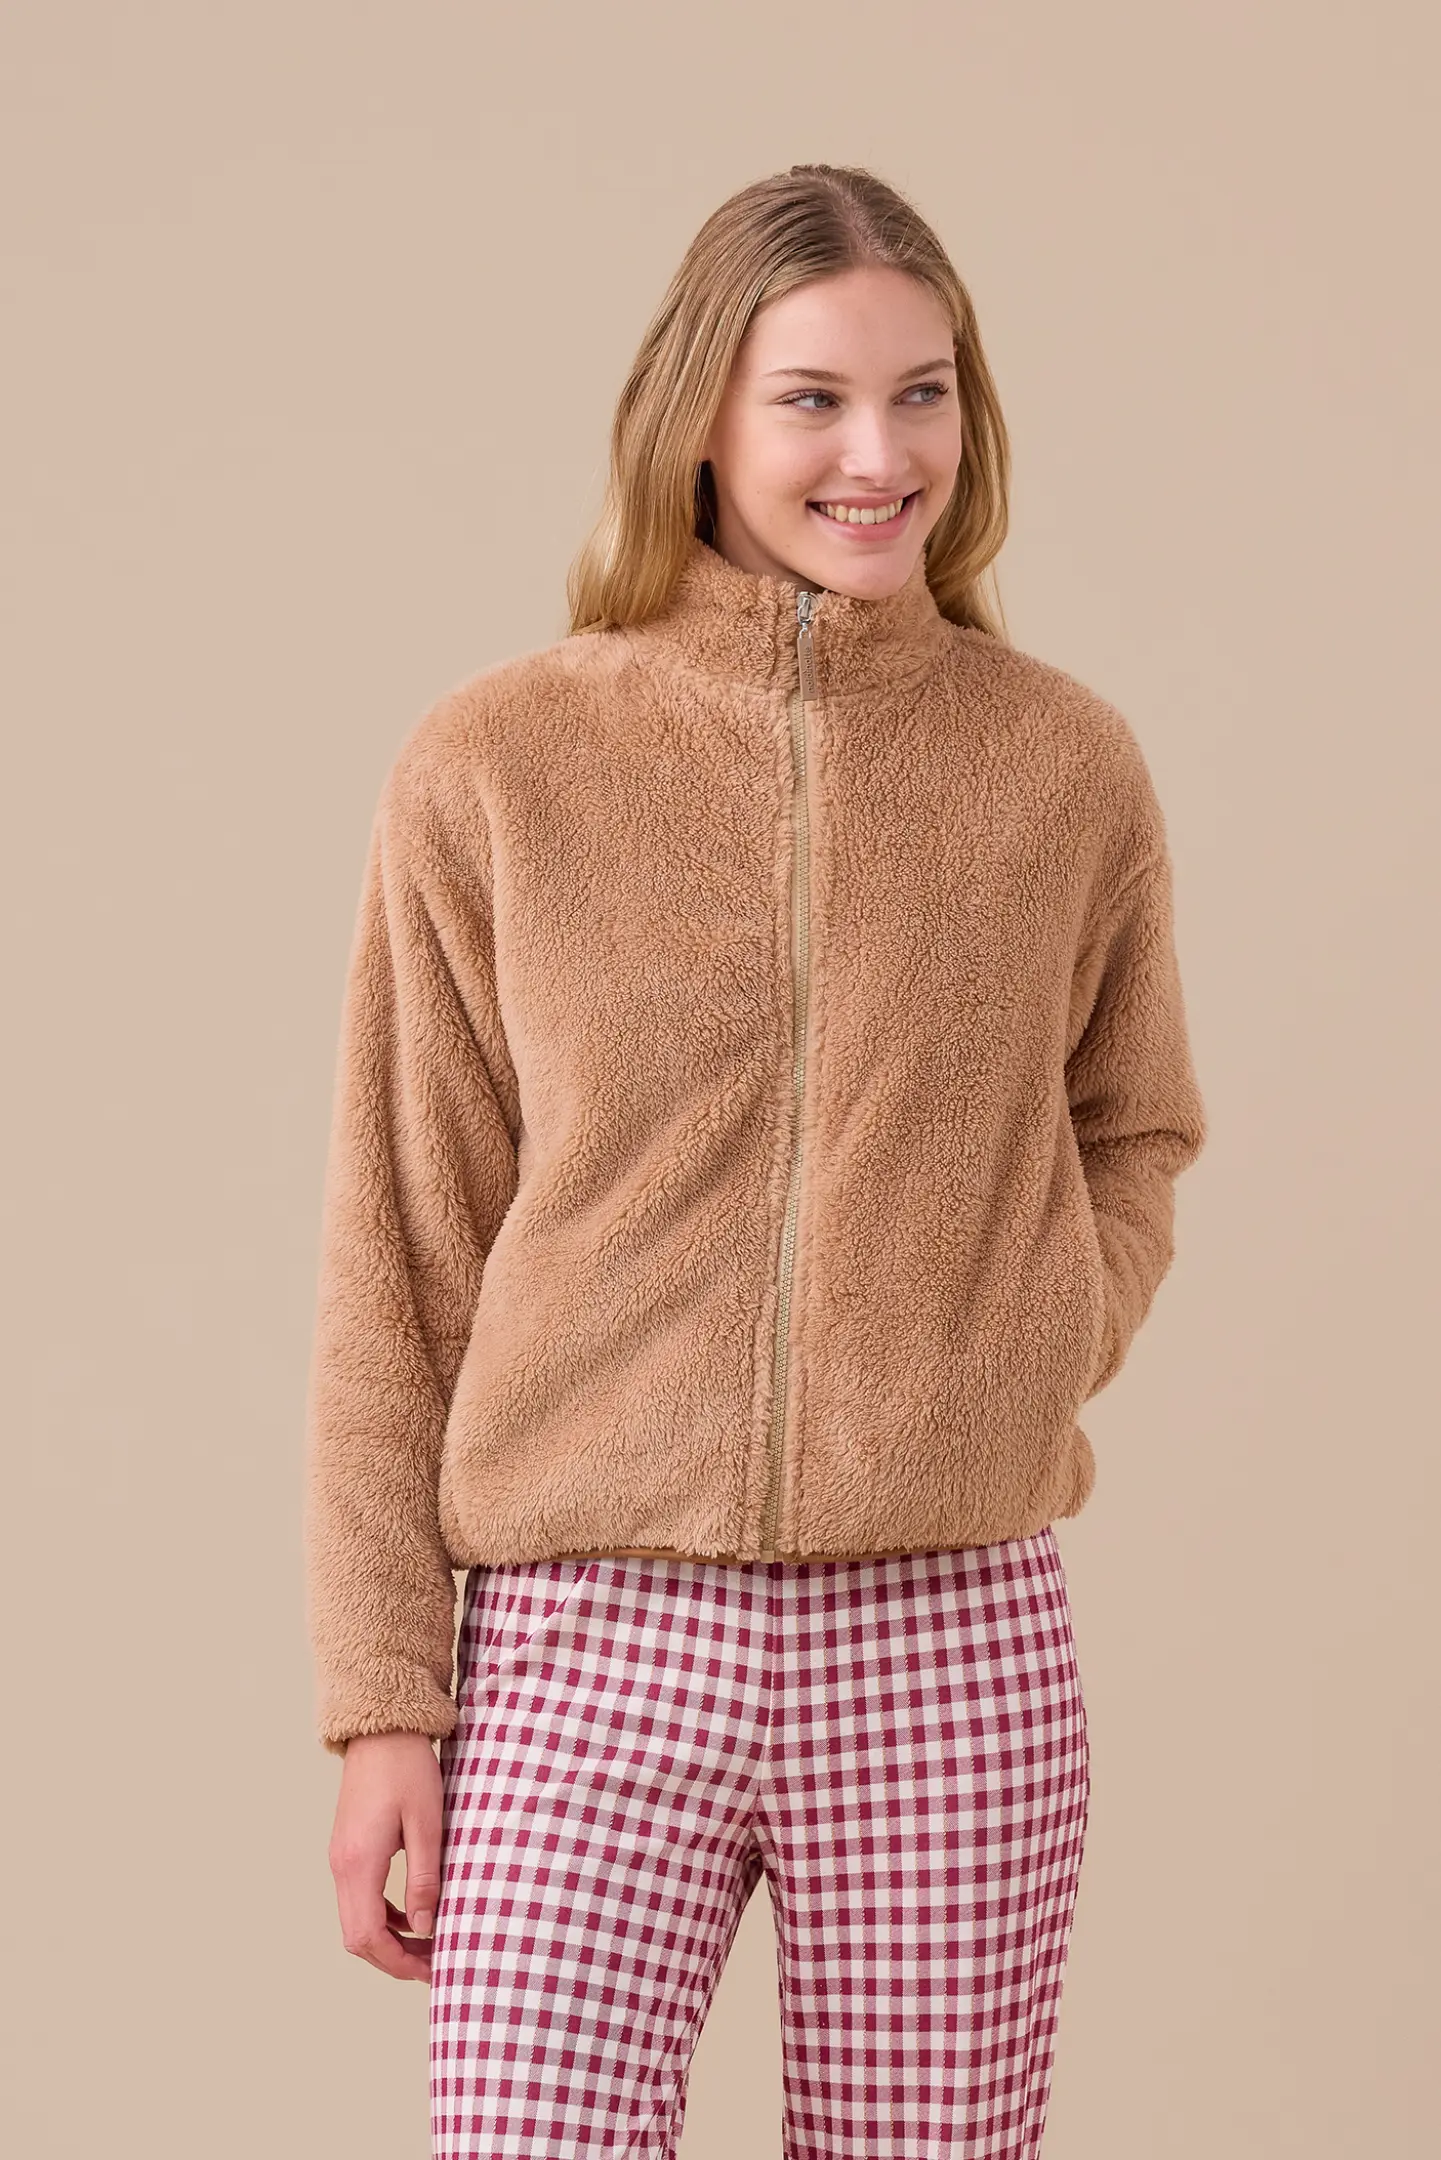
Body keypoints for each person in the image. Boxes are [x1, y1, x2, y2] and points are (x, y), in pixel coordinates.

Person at [303, 161, 1207, 2159]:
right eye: (813, 398)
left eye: (924, 394)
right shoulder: (501, 763)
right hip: (583, 1642)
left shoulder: (1060, 765)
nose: (881, 456)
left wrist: (1025, 1345)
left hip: (948, 1636)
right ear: (697, 416)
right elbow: (400, 1250)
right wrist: (385, 1702)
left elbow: (1133, 1123)